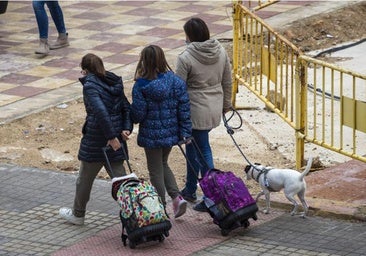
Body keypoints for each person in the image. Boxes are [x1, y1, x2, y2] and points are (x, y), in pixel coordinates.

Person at [59, 53, 132, 225]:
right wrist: (126, 128)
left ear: (85, 70)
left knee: (85, 179)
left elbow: (100, 113)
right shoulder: (114, 81)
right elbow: (126, 108)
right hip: (114, 139)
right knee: (121, 180)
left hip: (97, 139)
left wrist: (112, 137)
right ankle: (134, 212)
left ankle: (78, 215)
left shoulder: (90, 86)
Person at [175, 17, 232, 212]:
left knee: (202, 149)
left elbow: (178, 89)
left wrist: (175, 114)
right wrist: (227, 104)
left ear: (190, 36)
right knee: (193, 148)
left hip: (194, 109)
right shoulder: (220, 51)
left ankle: (212, 195)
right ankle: (190, 189)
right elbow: (227, 80)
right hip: (214, 106)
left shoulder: (185, 58)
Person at [130, 45, 192, 219]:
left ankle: (160, 206)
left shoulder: (141, 86)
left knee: (155, 170)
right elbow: (184, 109)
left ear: (144, 61)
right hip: (171, 133)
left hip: (151, 135)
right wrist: (185, 131)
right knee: (163, 164)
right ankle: (177, 197)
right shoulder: (176, 81)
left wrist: (129, 115)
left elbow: (138, 114)